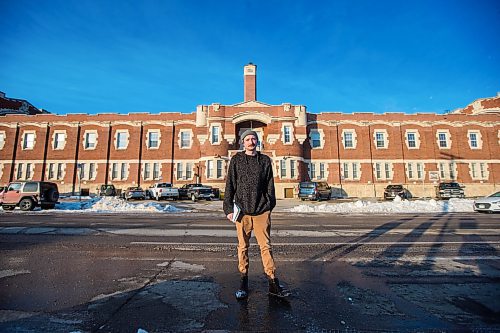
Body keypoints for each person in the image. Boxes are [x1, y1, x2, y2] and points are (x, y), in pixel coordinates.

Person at [223, 129, 290, 300]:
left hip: (261, 211)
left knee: (265, 247)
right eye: (248, 139)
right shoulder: (236, 160)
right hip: (242, 212)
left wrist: (269, 204)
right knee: (243, 247)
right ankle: (243, 281)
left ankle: (273, 282)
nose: (251, 141)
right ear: (242, 142)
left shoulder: (265, 160)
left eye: (254, 139)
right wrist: (228, 208)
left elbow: (270, 185)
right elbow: (230, 184)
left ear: (257, 141)